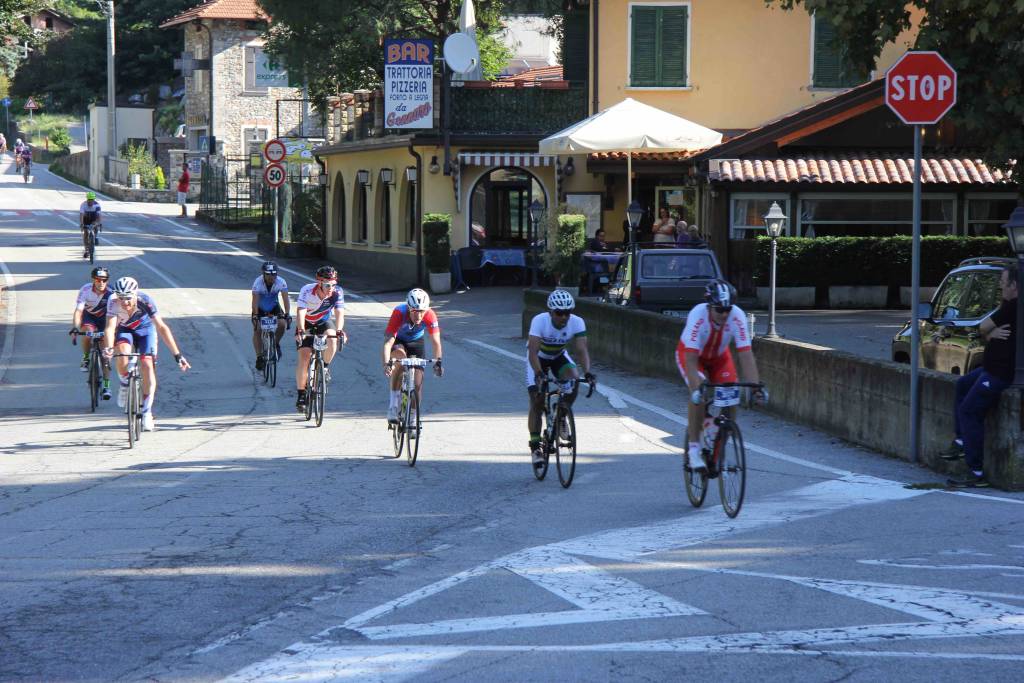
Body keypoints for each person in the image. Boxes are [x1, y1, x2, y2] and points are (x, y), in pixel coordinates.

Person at [677, 279, 766, 473]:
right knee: (699, 394)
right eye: (719, 310)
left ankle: (719, 447)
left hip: (719, 357)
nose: (724, 314)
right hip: (692, 356)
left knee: (731, 394)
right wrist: (696, 388)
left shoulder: (737, 316)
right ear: (710, 306)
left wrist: (755, 387)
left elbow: (745, 354)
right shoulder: (698, 315)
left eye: (728, 309)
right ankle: (693, 450)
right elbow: (691, 359)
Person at [946, 263, 1018, 488]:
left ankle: (975, 472)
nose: (1000, 287)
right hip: (988, 369)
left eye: (1003, 283)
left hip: (998, 374)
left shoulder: (1013, 307)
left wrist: (990, 331)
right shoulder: (1008, 305)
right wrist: (990, 333)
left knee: (969, 410)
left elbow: (982, 326)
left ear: (1014, 286)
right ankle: (960, 440)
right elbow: (985, 331)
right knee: (962, 385)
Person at [102, 276, 190, 431]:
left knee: (147, 364)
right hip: (125, 330)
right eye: (121, 298)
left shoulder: (145, 300)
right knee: (122, 353)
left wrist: (177, 355)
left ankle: (147, 412)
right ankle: (124, 384)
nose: (125, 302)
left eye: (128, 298)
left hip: (146, 331)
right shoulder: (112, 301)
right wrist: (108, 348)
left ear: (135, 294)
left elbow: (162, 328)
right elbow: (110, 328)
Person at [526, 289, 595, 472]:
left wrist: (587, 372)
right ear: (551, 312)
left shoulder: (577, 322)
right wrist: (539, 373)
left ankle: (562, 415)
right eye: (559, 313)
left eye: (567, 312)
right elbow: (532, 352)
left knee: (574, 380)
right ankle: (535, 447)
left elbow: (581, 350)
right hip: (538, 359)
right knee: (537, 401)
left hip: (558, 356)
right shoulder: (539, 321)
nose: (563, 317)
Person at [383, 288, 443, 423]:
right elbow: (388, 343)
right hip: (398, 340)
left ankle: (412, 417)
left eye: (422, 311)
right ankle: (393, 406)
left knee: (417, 383)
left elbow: (436, 342)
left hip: (416, 342)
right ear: (409, 308)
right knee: (399, 358)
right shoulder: (399, 312)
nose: (419, 315)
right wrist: (387, 363)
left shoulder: (430, 315)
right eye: (415, 311)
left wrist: (438, 362)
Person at [294, 265, 346, 412]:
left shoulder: (337, 292)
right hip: (306, 323)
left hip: (324, 322)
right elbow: (301, 311)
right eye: (327, 285)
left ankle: (324, 367)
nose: (331, 288)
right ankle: (301, 395)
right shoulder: (307, 290)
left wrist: (340, 330)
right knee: (304, 358)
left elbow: (339, 313)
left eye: (333, 284)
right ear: (319, 282)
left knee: (333, 340)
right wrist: (301, 330)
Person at [70, 266, 113, 400]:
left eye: (104, 280)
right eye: (98, 279)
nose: (101, 283)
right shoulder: (85, 290)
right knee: (87, 332)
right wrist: (76, 327)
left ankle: (107, 386)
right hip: (90, 317)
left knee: (106, 356)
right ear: (93, 280)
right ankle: (86, 357)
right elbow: (78, 311)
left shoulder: (112, 292)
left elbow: (117, 314)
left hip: (105, 319)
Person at [250, 261, 290, 370]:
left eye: (274, 274)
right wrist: (255, 315)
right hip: (260, 308)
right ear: (263, 273)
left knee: (282, 324)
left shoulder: (281, 282)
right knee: (258, 329)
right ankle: (259, 357)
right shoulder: (257, 282)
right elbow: (255, 301)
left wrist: (287, 313)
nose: (271, 276)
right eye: (268, 274)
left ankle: (275, 344)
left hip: (274, 307)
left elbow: (285, 299)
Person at [79, 191, 102, 258]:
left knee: (95, 225)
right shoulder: (83, 204)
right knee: (85, 233)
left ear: (94, 200)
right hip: (86, 218)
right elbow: (81, 215)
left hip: (94, 217)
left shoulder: (97, 205)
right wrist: (82, 224)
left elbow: (99, 216)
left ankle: (96, 236)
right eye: (89, 200)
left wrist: (98, 223)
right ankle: (86, 250)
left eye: (92, 200)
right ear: (87, 199)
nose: (90, 202)